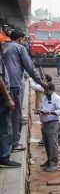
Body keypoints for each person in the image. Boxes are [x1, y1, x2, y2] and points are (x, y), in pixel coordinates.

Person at [3, 30, 47, 151]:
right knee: (15, 114)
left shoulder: (4, 46)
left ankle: (6, 144)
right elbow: (30, 68)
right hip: (14, 84)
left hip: (3, 85)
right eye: (24, 39)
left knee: (5, 115)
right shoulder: (20, 48)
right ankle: (14, 143)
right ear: (21, 39)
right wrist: (41, 83)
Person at [36, 82, 60, 172]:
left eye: (46, 90)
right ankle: (49, 161)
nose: (45, 92)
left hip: (52, 123)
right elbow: (43, 107)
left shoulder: (57, 98)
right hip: (45, 122)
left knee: (52, 143)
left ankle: (54, 163)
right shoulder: (45, 97)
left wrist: (50, 112)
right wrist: (40, 111)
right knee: (47, 143)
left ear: (51, 90)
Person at [0, 39, 19, 167]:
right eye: (3, 44)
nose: (5, 46)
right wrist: (8, 98)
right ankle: (4, 156)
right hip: (1, 98)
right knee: (5, 128)